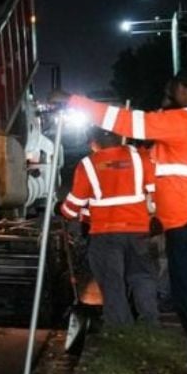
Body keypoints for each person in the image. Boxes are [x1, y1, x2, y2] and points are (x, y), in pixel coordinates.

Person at [63, 65, 187, 374]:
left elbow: (131, 122)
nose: (167, 95)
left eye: (172, 89)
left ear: (186, 89)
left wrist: (74, 101)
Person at [59, 127, 159, 327]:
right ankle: (151, 324)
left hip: (105, 235)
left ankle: (122, 328)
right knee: (142, 277)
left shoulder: (88, 165)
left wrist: (64, 210)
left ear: (94, 143)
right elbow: (156, 193)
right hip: (138, 230)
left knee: (112, 282)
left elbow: (74, 206)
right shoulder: (141, 158)